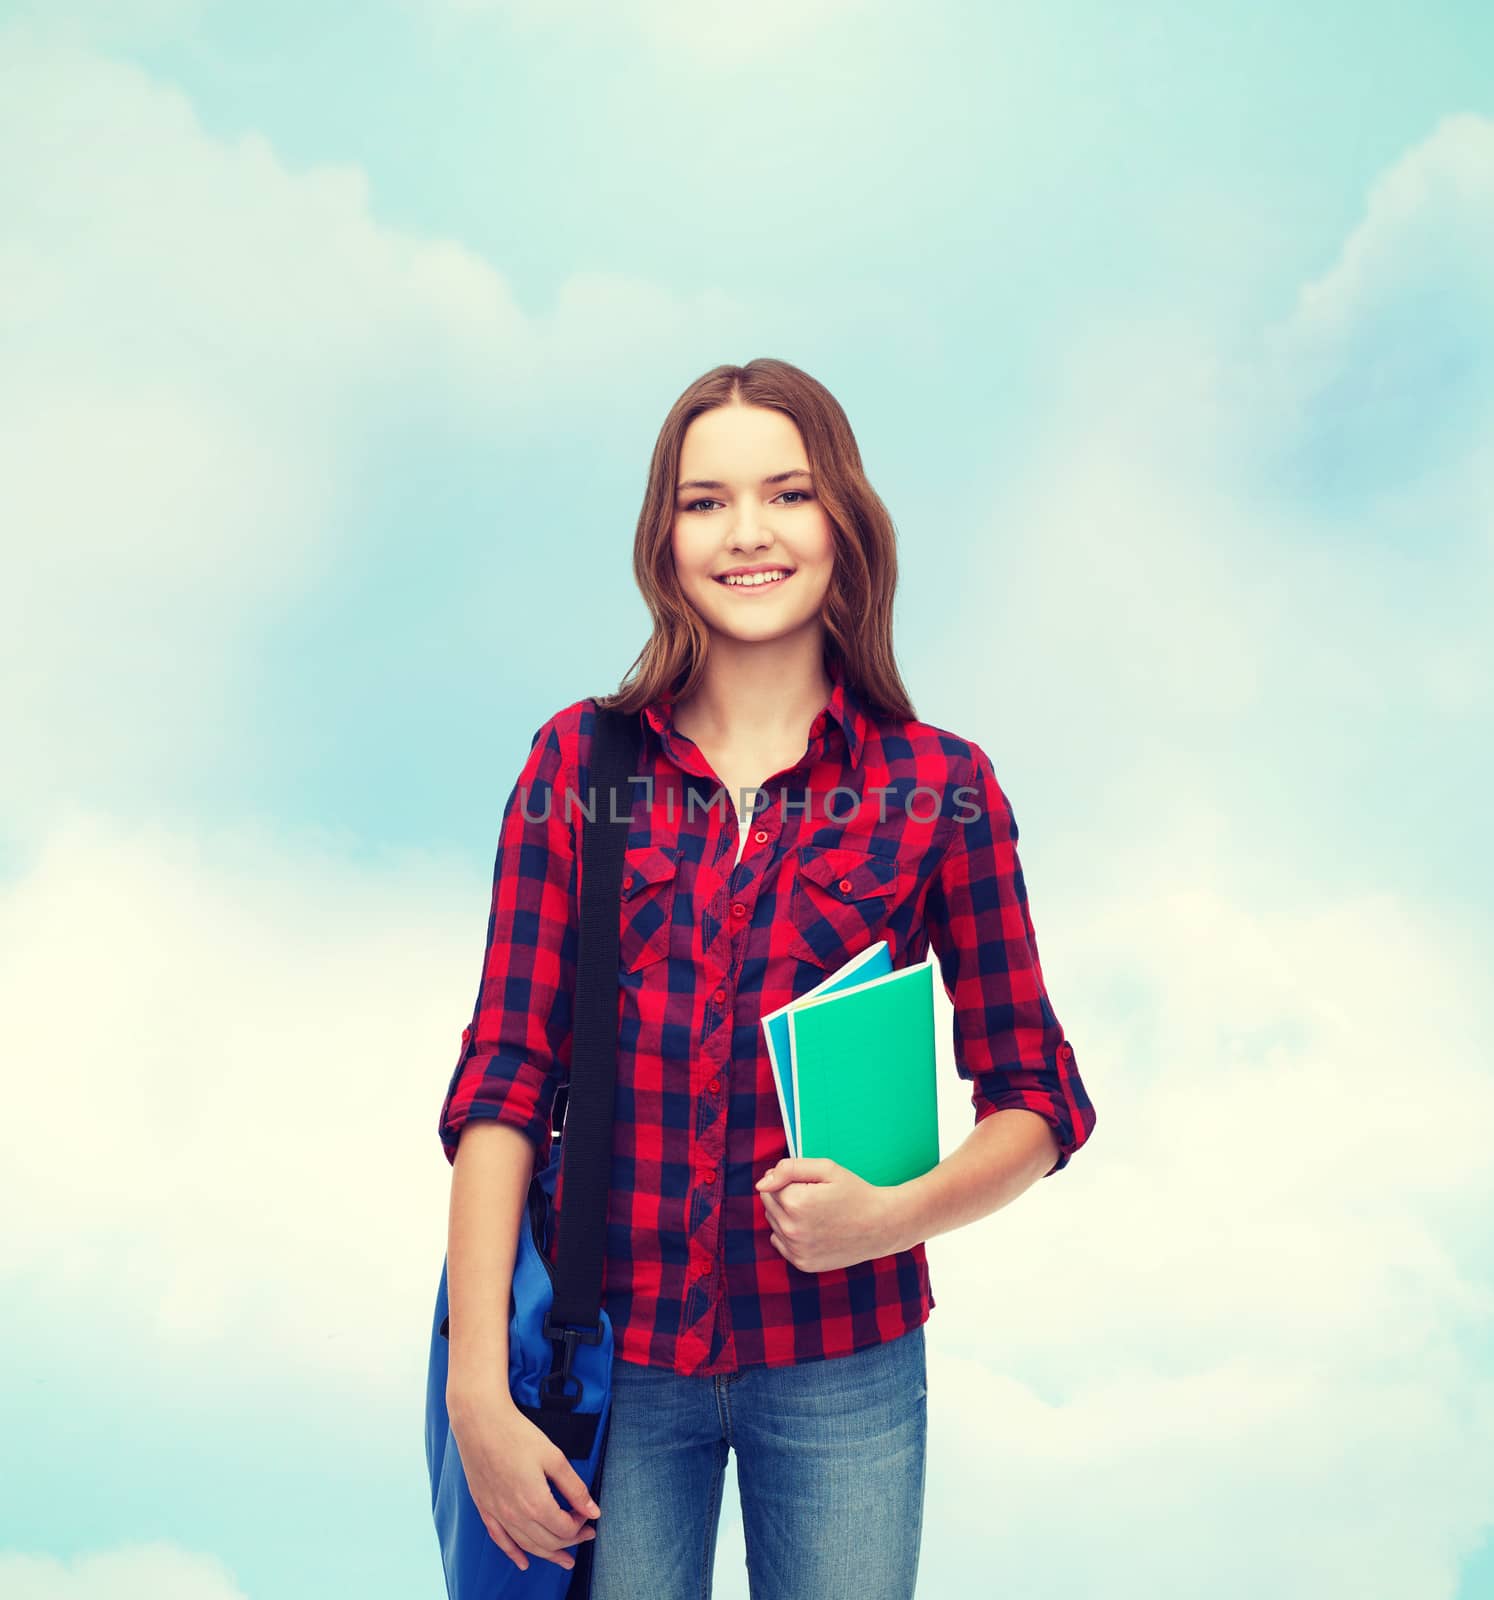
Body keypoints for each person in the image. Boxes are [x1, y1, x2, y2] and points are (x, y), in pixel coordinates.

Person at [437, 357, 1097, 1599]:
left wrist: (891, 1218)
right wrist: (480, 1381)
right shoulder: (581, 760)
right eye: (705, 501)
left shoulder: (939, 786)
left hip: (846, 1362)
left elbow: (1041, 1097)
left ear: (842, 519)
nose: (748, 533)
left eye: (787, 493)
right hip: (607, 1362)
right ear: (663, 536)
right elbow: (503, 1084)